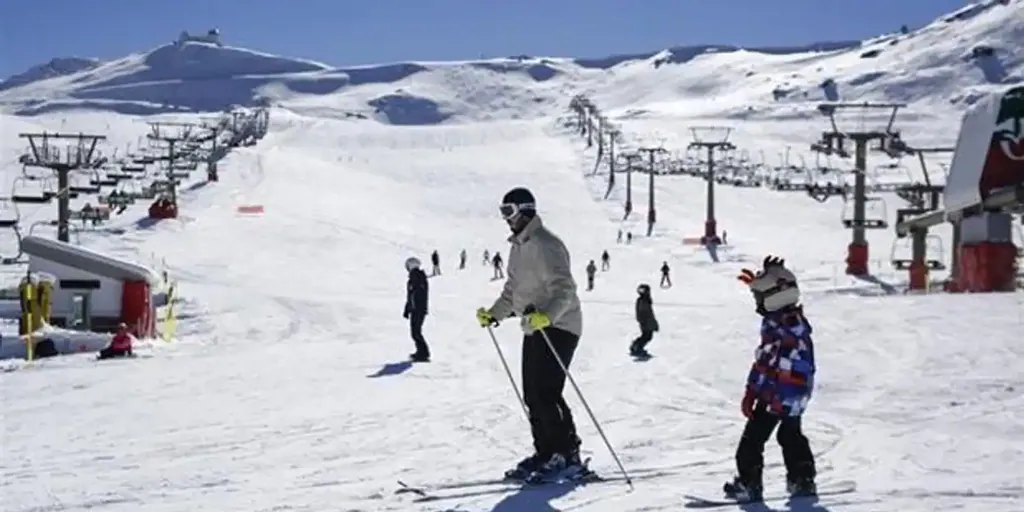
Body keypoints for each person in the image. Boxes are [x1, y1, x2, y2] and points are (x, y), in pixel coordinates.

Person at [475, 187, 586, 482]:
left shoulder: (546, 244)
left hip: (560, 325)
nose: (505, 219)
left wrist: (547, 316)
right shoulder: (519, 246)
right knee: (533, 395)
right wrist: (494, 313)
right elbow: (512, 292)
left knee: (547, 392)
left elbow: (565, 290)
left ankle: (567, 453)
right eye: (502, 212)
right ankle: (546, 452)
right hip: (535, 326)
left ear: (525, 210)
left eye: (508, 212)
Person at [724, 255, 817, 501]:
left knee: (752, 440)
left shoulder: (777, 325)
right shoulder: (795, 321)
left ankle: (749, 484)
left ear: (775, 298)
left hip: (777, 394)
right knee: (790, 435)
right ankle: (802, 479)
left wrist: (752, 392)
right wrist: (765, 282)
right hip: (797, 393)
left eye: (759, 298)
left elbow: (766, 363)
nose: (757, 304)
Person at [403, 257, 431, 362]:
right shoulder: (416, 277)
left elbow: (415, 294)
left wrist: (413, 307)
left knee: (416, 332)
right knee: (415, 332)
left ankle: (424, 353)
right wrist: (407, 309)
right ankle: (421, 352)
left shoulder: (417, 277)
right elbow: (410, 295)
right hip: (417, 309)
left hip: (418, 309)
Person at [629, 284, 658, 357]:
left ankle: (636, 346)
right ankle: (637, 347)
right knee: (647, 336)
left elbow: (650, 312)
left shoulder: (646, 300)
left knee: (646, 335)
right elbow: (644, 311)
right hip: (645, 320)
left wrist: (654, 322)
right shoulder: (642, 300)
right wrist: (643, 320)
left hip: (646, 320)